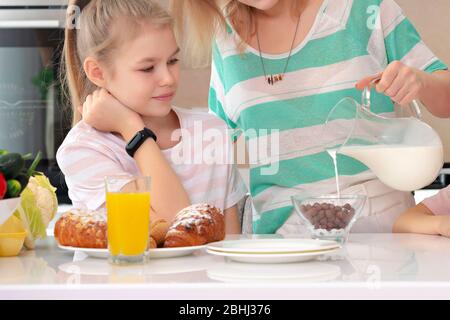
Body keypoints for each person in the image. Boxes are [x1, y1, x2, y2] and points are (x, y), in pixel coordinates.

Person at [170, 0, 450, 234]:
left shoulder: (364, 9)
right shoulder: (225, 43)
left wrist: (421, 82)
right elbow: (215, 161)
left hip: (386, 241)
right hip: (283, 252)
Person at [57, 0, 248, 233]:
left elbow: (230, 247)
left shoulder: (212, 133)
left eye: (172, 61)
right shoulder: (84, 150)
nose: (168, 78)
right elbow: (174, 227)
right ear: (98, 72)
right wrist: (134, 131)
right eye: (147, 68)